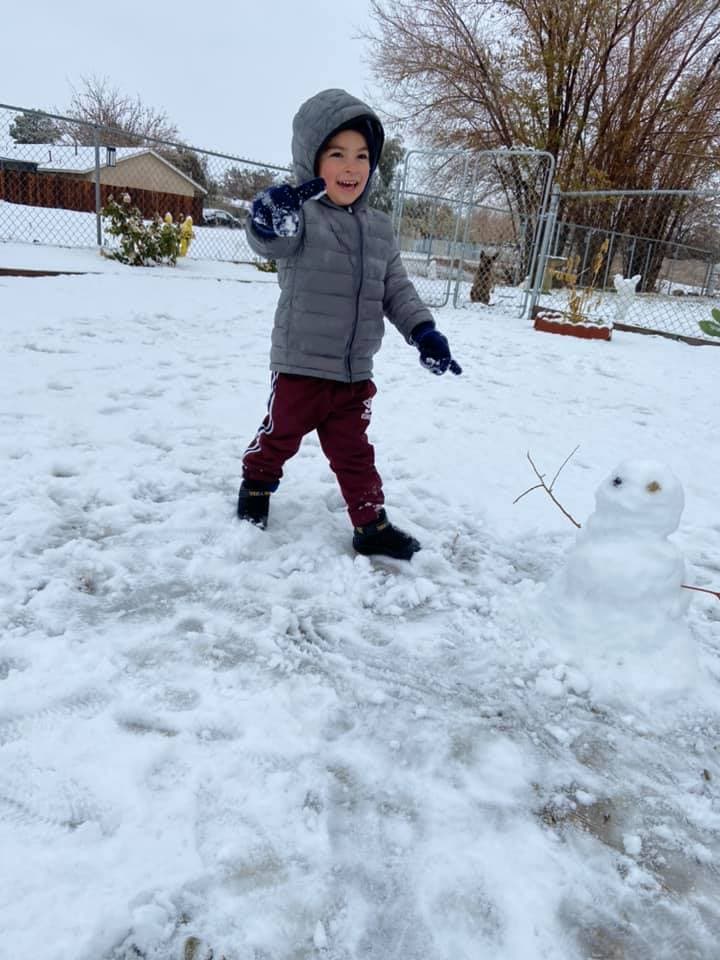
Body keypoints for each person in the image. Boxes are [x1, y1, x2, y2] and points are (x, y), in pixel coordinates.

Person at [239, 88, 462, 561]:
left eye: (362, 155)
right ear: (311, 160)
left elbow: (396, 288)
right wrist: (267, 218)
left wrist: (424, 332)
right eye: (337, 153)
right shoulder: (299, 218)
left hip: (354, 372)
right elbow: (271, 243)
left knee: (355, 454)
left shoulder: (379, 228)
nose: (351, 166)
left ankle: (370, 524)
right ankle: (256, 484)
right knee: (280, 435)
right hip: (301, 364)